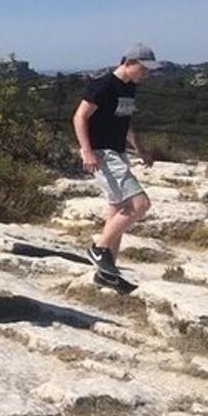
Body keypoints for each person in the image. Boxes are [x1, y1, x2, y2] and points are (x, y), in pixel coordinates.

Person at [72, 44, 160, 291]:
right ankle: (99, 250)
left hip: (118, 152)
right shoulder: (104, 85)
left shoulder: (130, 88)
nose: (146, 74)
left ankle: (106, 274)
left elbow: (125, 121)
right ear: (129, 62)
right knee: (139, 205)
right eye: (143, 69)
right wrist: (87, 151)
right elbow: (79, 117)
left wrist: (139, 149)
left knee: (117, 212)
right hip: (102, 153)